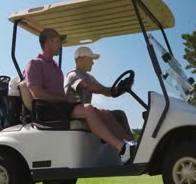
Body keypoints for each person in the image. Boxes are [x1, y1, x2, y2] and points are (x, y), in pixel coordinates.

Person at [24, 28, 135, 163]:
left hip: (60, 108)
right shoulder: (34, 64)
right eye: (58, 41)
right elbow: (37, 93)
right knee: (88, 109)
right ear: (48, 42)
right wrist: (65, 99)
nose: (60, 44)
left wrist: (119, 89)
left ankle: (132, 145)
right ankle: (122, 149)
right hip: (47, 110)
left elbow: (101, 89)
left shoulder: (55, 67)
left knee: (105, 112)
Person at [64, 46, 135, 142]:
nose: (93, 63)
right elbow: (88, 86)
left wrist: (120, 88)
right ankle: (128, 144)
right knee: (105, 114)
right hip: (73, 114)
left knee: (119, 114)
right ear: (80, 59)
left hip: (86, 112)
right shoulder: (73, 75)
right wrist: (109, 90)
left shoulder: (89, 77)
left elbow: (105, 91)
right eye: (90, 59)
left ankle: (130, 143)